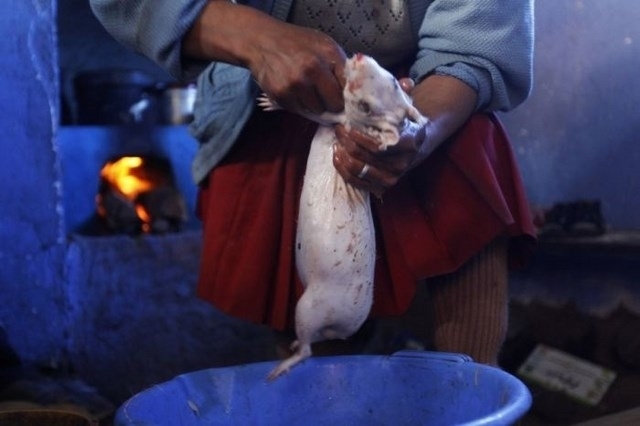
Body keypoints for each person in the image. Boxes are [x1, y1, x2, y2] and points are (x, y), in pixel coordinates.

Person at [90, 0, 536, 365]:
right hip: (264, 99)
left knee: (466, 155)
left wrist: (418, 129)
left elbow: (477, 38)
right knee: (321, 365)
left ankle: (476, 392)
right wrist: (258, 41)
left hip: (416, 91)